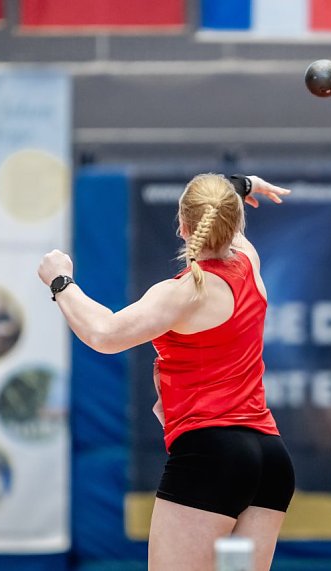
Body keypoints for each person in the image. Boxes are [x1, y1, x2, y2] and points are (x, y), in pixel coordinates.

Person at [37, 174, 294, 571]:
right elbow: (221, 209)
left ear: (182, 226)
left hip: (212, 456)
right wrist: (239, 186)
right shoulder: (249, 261)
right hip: (270, 460)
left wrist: (60, 280)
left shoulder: (183, 292)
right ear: (236, 224)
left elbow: (103, 334)